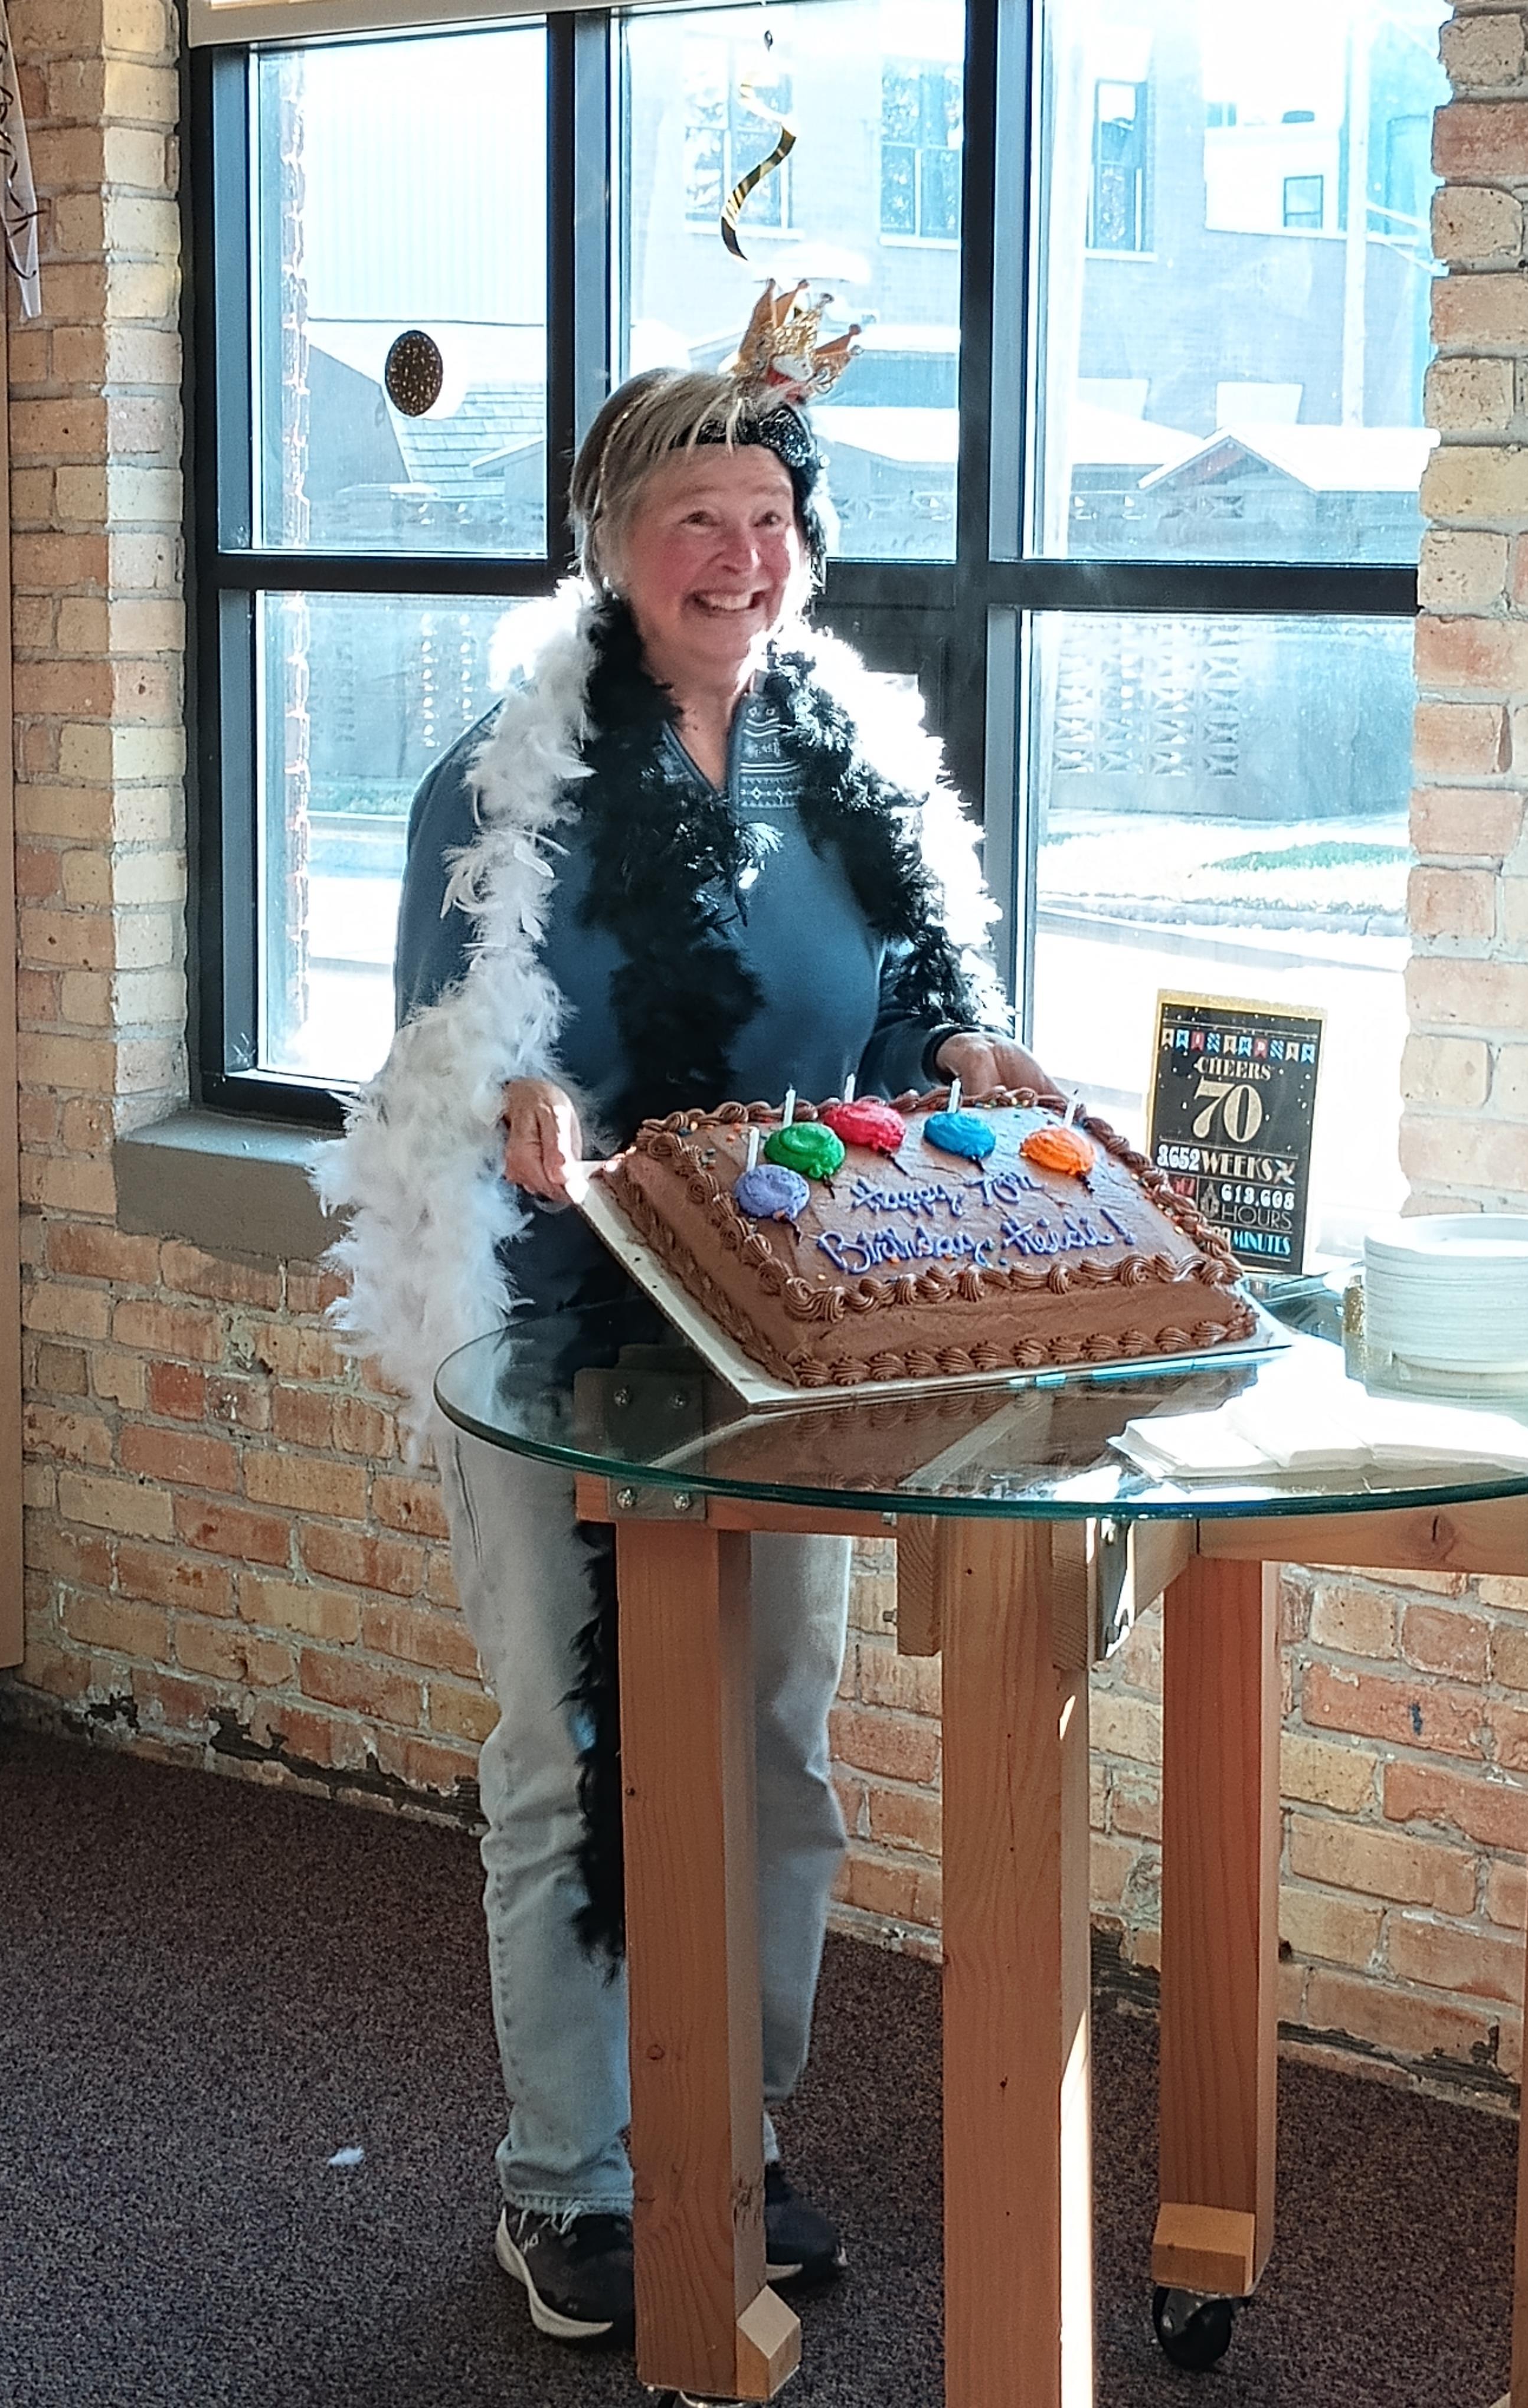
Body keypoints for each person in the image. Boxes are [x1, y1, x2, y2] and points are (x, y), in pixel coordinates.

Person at [317, 283, 1049, 2348]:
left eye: (768, 520)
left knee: (779, 1750)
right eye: (692, 522)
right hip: (559, 1329)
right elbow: (440, 1048)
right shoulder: (502, 777)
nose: (740, 560)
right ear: (608, 546)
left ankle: (732, 2123)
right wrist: (511, 1087)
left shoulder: (850, 759)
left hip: (778, 1320)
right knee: (574, 1759)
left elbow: (908, 998)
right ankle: (571, 2188)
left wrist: (968, 1054)